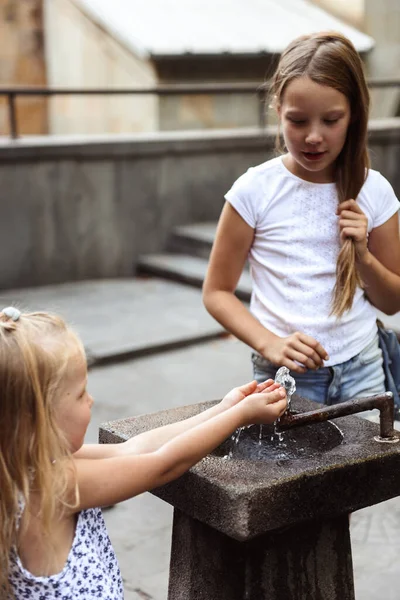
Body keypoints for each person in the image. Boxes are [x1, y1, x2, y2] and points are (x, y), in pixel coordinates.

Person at [0, 306, 287, 599]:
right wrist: (238, 416)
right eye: (80, 394)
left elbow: (132, 450)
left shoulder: (33, 466)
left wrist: (224, 408)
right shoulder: (49, 485)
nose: (91, 400)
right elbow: (162, 465)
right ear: (36, 419)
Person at [203, 31, 400, 406]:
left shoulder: (374, 191)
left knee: (374, 467)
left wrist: (363, 256)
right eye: (297, 120)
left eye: (330, 120)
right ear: (277, 109)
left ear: (354, 114)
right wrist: (269, 343)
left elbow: (392, 302)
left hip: (364, 371)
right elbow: (216, 292)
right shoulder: (254, 189)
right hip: (283, 380)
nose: (313, 136)